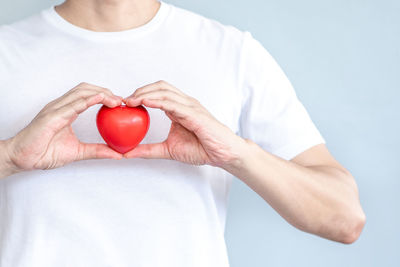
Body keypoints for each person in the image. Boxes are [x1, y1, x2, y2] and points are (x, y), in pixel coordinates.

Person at [0, 0, 366, 266]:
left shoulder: (232, 51)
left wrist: (235, 154)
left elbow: (344, 218)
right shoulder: (6, 49)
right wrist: (11, 156)